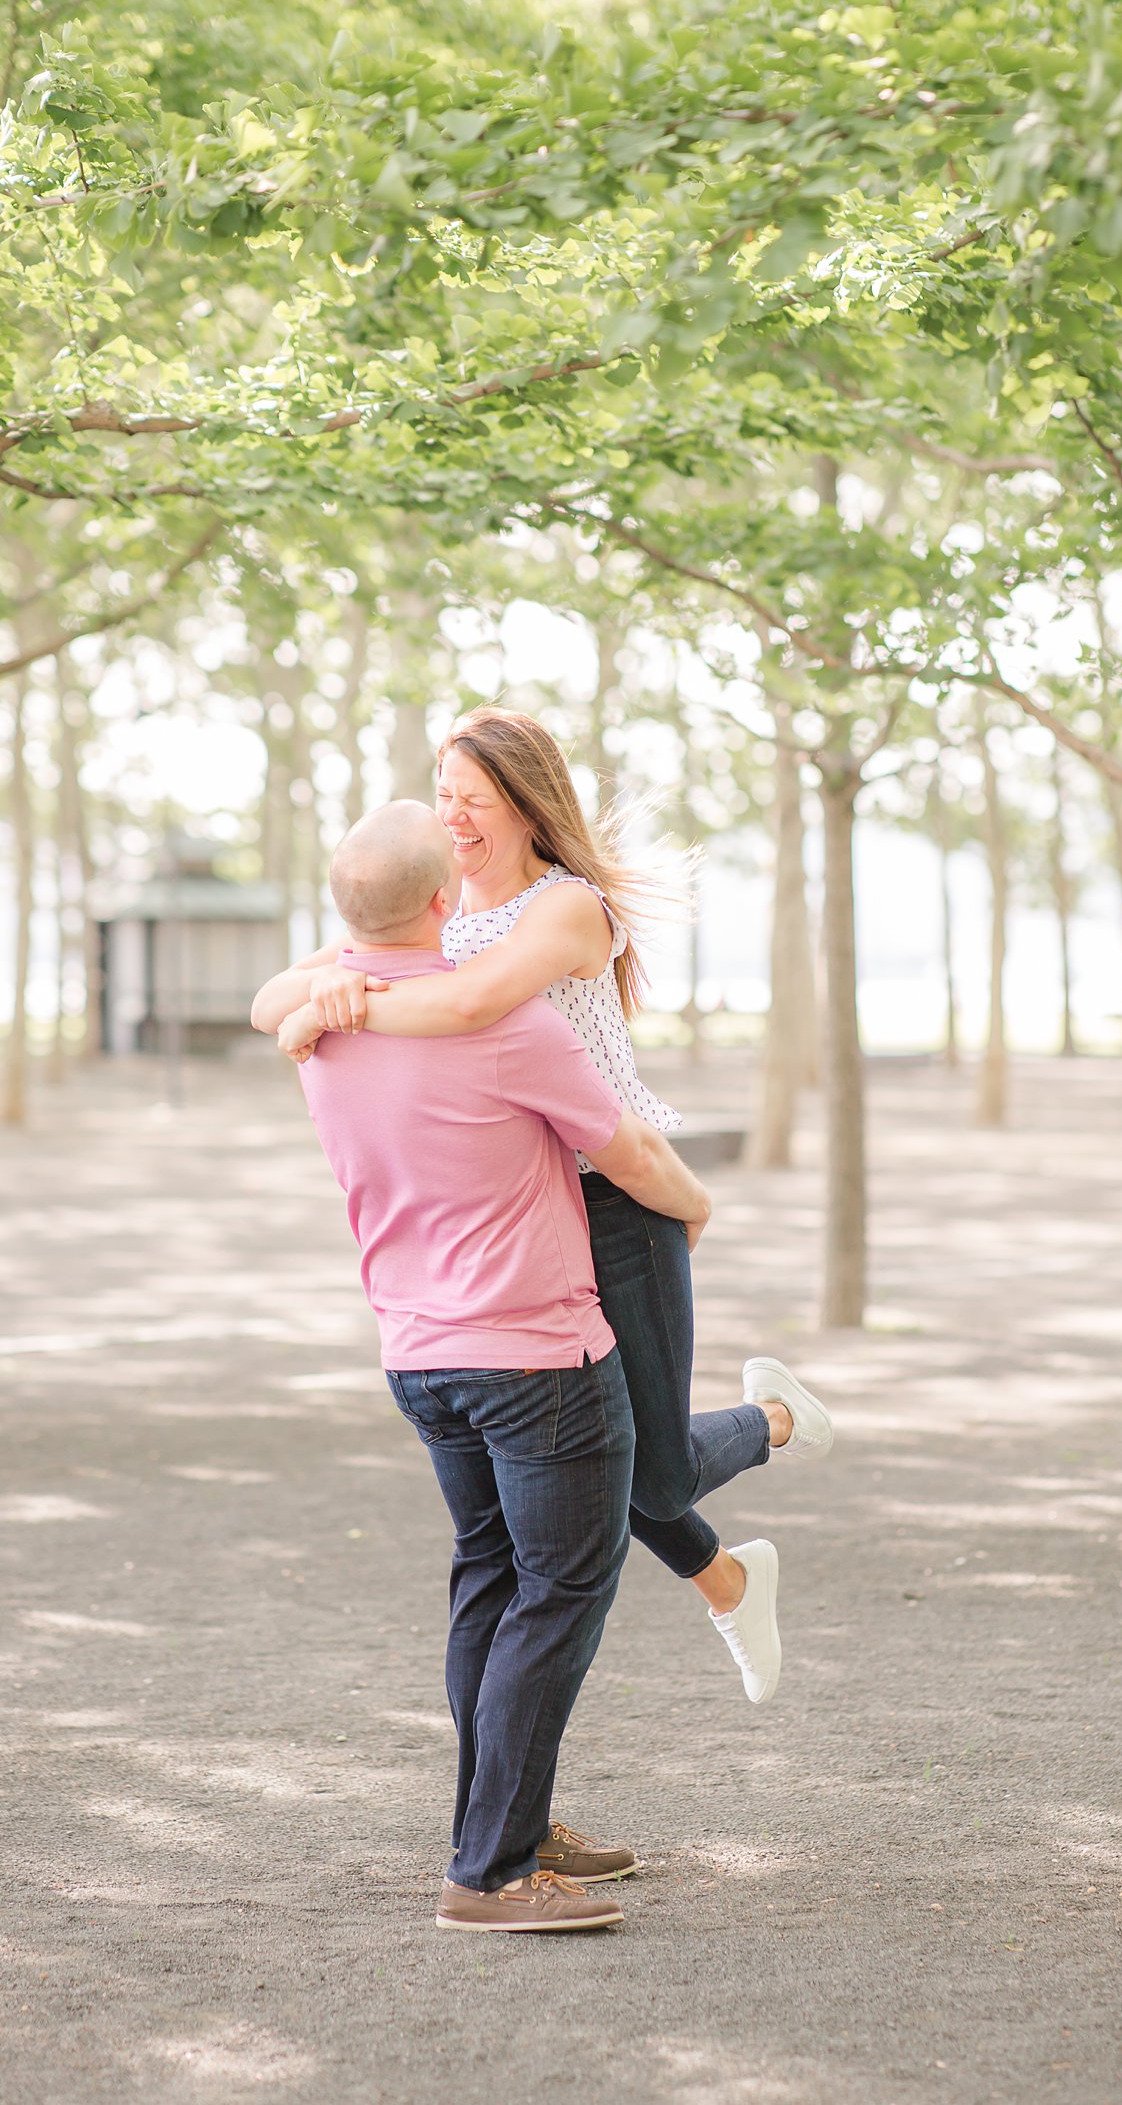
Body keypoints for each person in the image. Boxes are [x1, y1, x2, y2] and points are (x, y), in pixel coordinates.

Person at [251, 705, 833, 1706]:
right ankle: (731, 1582)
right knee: (600, 1482)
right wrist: (309, 1002)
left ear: (524, 805)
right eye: (442, 797)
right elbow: (268, 1004)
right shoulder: (426, 911)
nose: (453, 817)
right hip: (515, 1217)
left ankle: (775, 1417)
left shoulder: (565, 909)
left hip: (617, 1195)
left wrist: (342, 1002)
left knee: (648, 1479)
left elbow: (474, 1006)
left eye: (470, 799)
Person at [292, 801, 713, 1931]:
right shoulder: (511, 1026)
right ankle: (489, 1876)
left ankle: (501, 1831)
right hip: (535, 1356)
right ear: (446, 904)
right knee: (560, 1590)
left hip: (418, 1359)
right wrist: (695, 1206)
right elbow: (619, 1149)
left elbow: (291, 996)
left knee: (490, 1580)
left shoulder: (322, 1028)